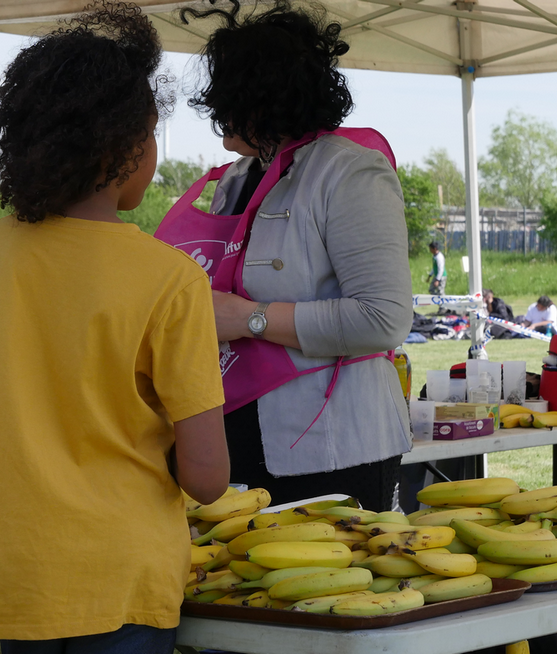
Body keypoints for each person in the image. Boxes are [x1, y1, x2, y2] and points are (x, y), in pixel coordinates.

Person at [0, 3, 230, 651]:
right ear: (125, 145)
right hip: (124, 579)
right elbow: (208, 477)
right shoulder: (169, 278)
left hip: (14, 578)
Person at [167, 0, 413, 510]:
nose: (215, 112)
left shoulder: (350, 173)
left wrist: (248, 319)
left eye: (225, 95)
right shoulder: (233, 180)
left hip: (333, 447)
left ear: (261, 97)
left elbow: (384, 318)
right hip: (236, 436)